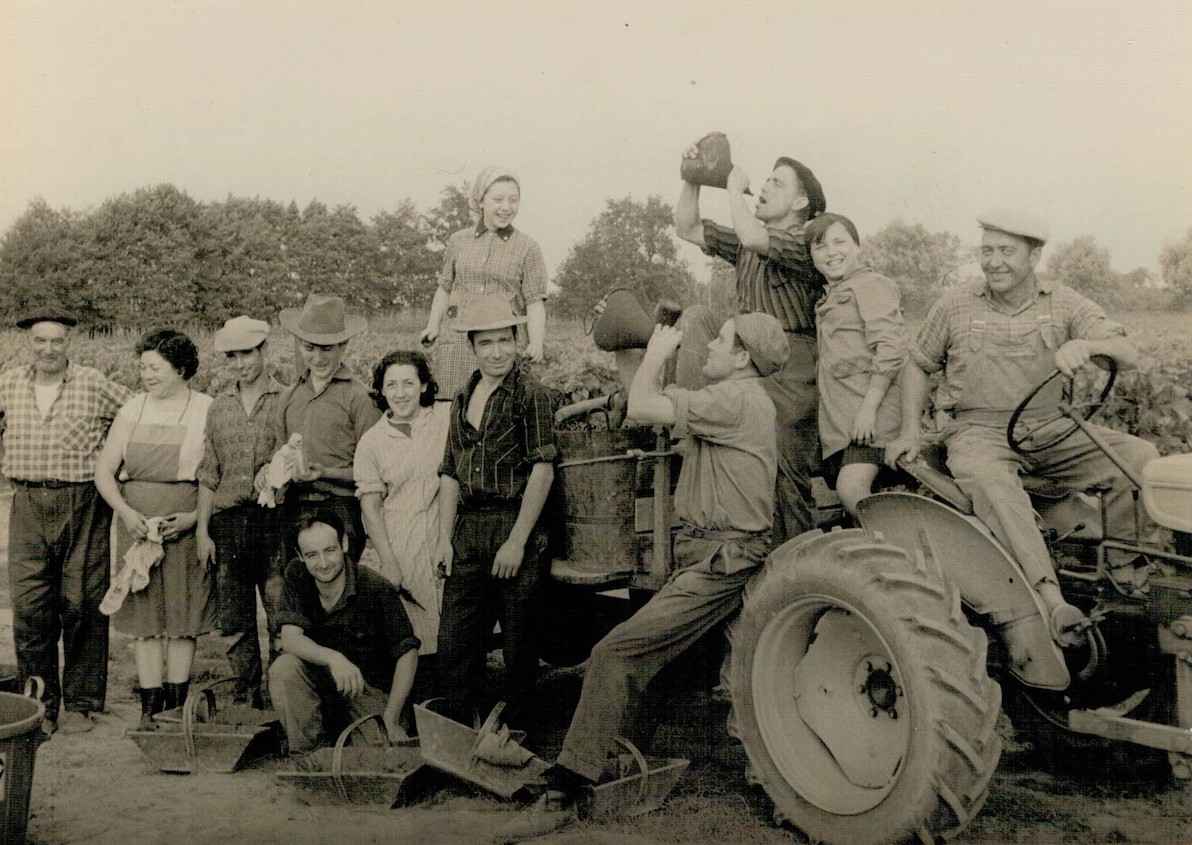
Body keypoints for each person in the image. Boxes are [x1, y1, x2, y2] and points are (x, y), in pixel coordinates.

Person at [542, 312, 788, 802]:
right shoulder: (740, 401)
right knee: (655, 653)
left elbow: (645, 404)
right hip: (711, 552)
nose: (711, 348)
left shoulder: (734, 399)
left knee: (618, 651)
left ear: (742, 358)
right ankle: (622, 753)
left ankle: (570, 777)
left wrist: (656, 353)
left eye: (721, 341)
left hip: (721, 560)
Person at [886, 211, 1163, 645]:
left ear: (1034, 256)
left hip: (1050, 428)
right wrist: (907, 431)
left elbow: (1126, 351)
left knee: (1140, 459)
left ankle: (1126, 575)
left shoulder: (1063, 302)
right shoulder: (956, 304)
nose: (994, 262)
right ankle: (1051, 601)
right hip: (977, 432)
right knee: (995, 486)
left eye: (1006, 251)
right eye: (987, 251)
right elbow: (917, 364)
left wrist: (1087, 345)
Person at [674, 143, 826, 547]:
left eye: (776, 183)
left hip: (791, 364)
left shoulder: (806, 241)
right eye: (765, 180)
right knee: (696, 318)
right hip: (748, 362)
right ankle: (690, 422)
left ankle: (797, 563)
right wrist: (692, 176)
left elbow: (756, 237)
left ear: (800, 201)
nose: (763, 187)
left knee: (785, 472)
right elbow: (686, 227)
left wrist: (729, 185)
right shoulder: (747, 240)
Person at [0, 306, 132, 734]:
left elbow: (136, 415)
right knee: (30, 606)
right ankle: (41, 704)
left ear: (69, 343)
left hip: (83, 502)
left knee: (83, 602)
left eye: (57, 340)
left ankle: (81, 703)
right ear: (29, 343)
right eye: (40, 340)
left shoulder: (93, 383)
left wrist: (119, 465)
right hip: (27, 501)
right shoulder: (8, 384)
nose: (49, 349)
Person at [435, 294, 558, 731]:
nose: (497, 351)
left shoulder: (533, 395)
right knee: (455, 641)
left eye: (504, 340)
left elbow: (543, 469)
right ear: (472, 346)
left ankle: (518, 738)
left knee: (519, 647)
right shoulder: (462, 397)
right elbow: (450, 471)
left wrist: (517, 541)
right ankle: (457, 732)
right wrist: (444, 539)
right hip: (469, 528)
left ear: (517, 340)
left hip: (515, 523)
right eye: (486, 343)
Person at [94, 329, 216, 725]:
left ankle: (177, 708)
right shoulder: (133, 409)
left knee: (182, 619)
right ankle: (149, 709)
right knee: (145, 621)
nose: (146, 374)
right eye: (143, 366)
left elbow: (218, 475)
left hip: (184, 523)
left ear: (181, 369)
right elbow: (104, 471)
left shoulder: (206, 409)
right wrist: (126, 514)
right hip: (137, 526)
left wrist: (195, 519)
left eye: (155, 367)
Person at [269, 511, 419, 753]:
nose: (323, 563)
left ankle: (360, 733)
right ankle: (309, 757)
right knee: (284, 668)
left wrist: (391, 717)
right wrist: (335, 659)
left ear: (345, 544)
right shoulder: (297, 575)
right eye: (311, 555)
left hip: (366, 688)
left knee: (377, 756)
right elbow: (290, 639)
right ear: (300, 556)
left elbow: (408, 653)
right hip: (322, 683)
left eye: (330, 550)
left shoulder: (374, 586)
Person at [196, 316, 285, 708]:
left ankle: (285, 700)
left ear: (263, 351)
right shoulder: (219, 407)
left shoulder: (287, 400)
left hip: (275, 522)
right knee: (234, 621)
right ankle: (247, 700)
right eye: (232, 357)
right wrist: (202, 532)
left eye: (247, 354)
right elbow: (208, 475)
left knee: (282, 614)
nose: (240, 364)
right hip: (228, 524)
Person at [354, 349, 451, 689]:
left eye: (409, 383)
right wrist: (389, 562)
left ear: (424, 385)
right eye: (391, 384)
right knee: (415, 636)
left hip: (446, 539)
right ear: (381, 390)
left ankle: (458, 709)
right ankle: (419, 710)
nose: (400, 393)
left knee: (456, 636)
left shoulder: (445, 420)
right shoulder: (372, 442)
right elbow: (370, 508)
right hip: (401, 542)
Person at [807, 213, 907, 517]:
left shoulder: (871, 285)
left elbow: (891, 349)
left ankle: (899, 554)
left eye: (840, 242)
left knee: (851, 491)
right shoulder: (830, 298)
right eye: (820, 246)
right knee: (852, 496)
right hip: (844, 426)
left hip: (870, 421)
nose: (831, 252)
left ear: (857, 246)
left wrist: (868, 409)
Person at [420, 166, 548, 399]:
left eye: (513, 200)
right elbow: (444, 288)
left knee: (499, 410)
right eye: (498, 199)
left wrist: (537, 342)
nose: (506, 207)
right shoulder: (458, 241)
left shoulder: (527, 247)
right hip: (458, 340)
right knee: (452, 404)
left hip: (501, 344)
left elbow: (534, 301)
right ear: (481, 201)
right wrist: (433, 326)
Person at [274, 294, 381, 564]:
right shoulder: (288, 396)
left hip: (340, 507)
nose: (318, 358)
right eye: (310, 348)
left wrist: (326, 472)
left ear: (342, 346)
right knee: (299, 592)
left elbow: (374, 472)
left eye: (327, 349)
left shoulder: (360, 398)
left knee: (339, 594)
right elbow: (279, 455)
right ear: (299, 345)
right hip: (295, 509)